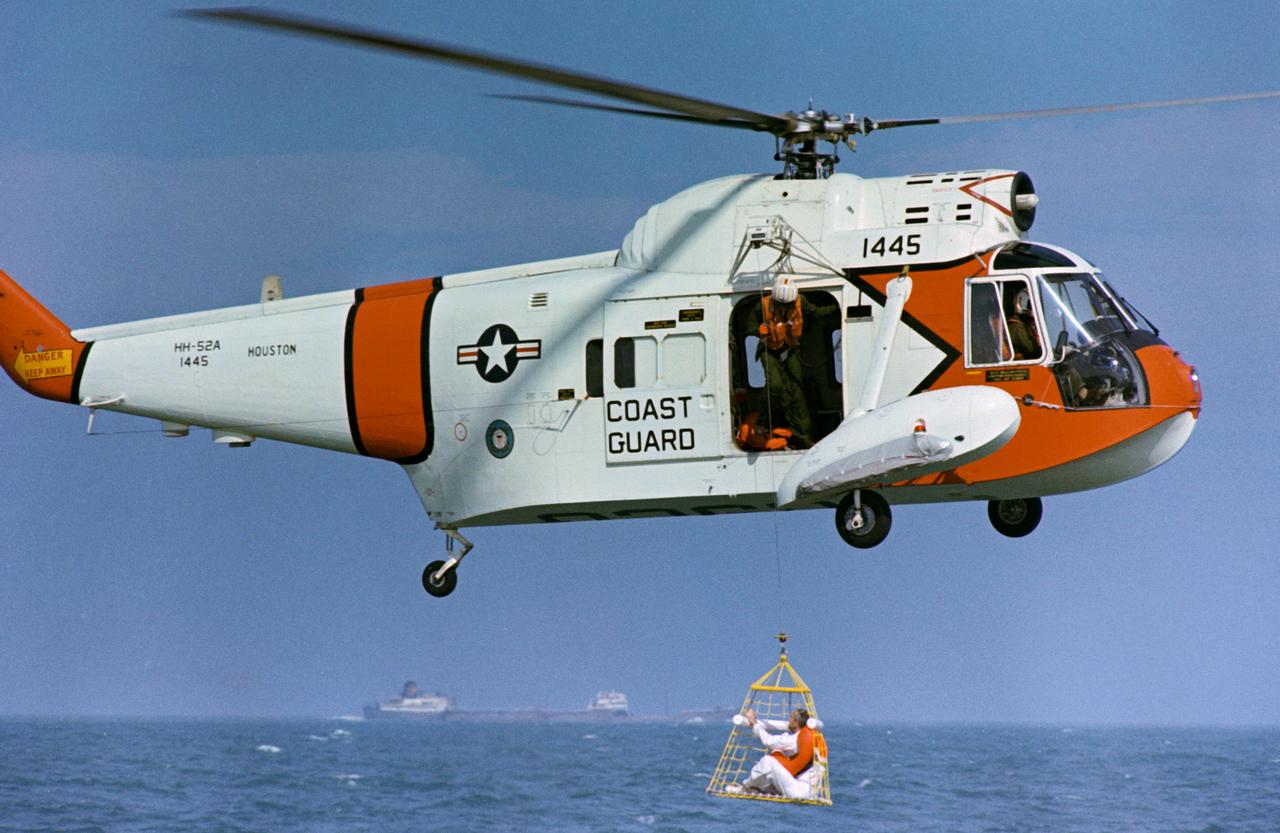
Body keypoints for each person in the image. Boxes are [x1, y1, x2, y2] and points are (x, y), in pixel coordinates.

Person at [745, 276, 820, 448]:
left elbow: (815, 312)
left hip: (790, 350)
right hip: (769, 350)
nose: (785, 307)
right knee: (776, 385)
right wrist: (758, 330)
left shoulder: (802, 303)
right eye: (781, 304)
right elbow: (748, 327)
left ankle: (801, 434)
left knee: (795, 389)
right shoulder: (761, 306)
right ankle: (760, 422)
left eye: (788, 304)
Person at [738, 707, 819, 799]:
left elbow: (768, 741)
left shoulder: (794, 739)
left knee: (768, 760)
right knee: (776, 752)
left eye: (791, 717)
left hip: (797, 790)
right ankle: (768, 788)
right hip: (811, 791)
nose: (788, 720)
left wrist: (753, 722)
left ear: (796, 723)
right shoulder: (804, 738)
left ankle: (745, 787)